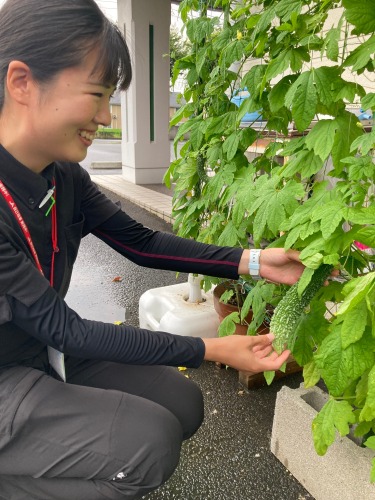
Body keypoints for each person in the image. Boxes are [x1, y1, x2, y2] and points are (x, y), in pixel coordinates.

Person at [0, 1, 305, 499]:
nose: (105, 116)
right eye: (97, 94)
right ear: (21, 82)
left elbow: (141, 243)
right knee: (148, 444)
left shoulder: (63, 176)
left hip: (42, 349)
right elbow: (67, 329)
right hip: (7, 374)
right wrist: (210, 348)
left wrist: (251, 261)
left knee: (181, 402)